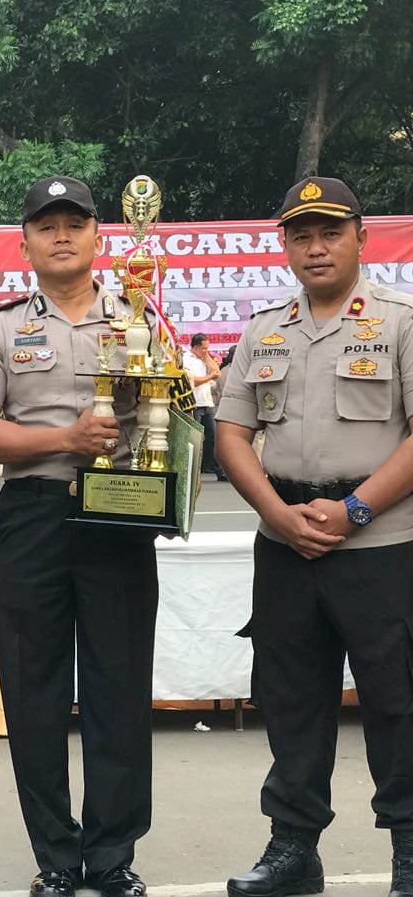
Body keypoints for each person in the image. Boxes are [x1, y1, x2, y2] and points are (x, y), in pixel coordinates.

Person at [0, 177, 159, 897]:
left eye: (75, 222)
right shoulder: (3, 329)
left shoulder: (139, 317)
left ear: (100, 235)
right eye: (47, 225)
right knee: (33, 693)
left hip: (121, 516)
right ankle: (56, 858)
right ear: (26, 244)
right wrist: (62, 437)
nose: (62, 235)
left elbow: (177, 409)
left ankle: (112, 858)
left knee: (119, 690)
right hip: (33, 516)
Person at [216, 177, 413, 897]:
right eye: (301, 234)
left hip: (383, 544)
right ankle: (294, 849)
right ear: (286, 246)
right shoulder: (264, 329)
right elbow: (232, 430)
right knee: (293, 700)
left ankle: (408, 853)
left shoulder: (400, 321)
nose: (316, 246)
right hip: (286, 542)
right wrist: (274, 512)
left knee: (398, 703)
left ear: (362, 236)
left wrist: (356, 509)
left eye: (330, 231)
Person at [182, 334, 223, 476]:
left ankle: (214, 467)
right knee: (195, 437)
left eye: (208, 348)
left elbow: (217, 373)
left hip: (207, 402)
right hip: (194, 403)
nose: (206, 350)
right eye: (204, 348)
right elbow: (191, 380)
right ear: (195, 347)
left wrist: (206, 357)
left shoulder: (203, 358)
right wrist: (209, 377)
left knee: (213, 436)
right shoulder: (186, 358)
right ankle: (193, 468)